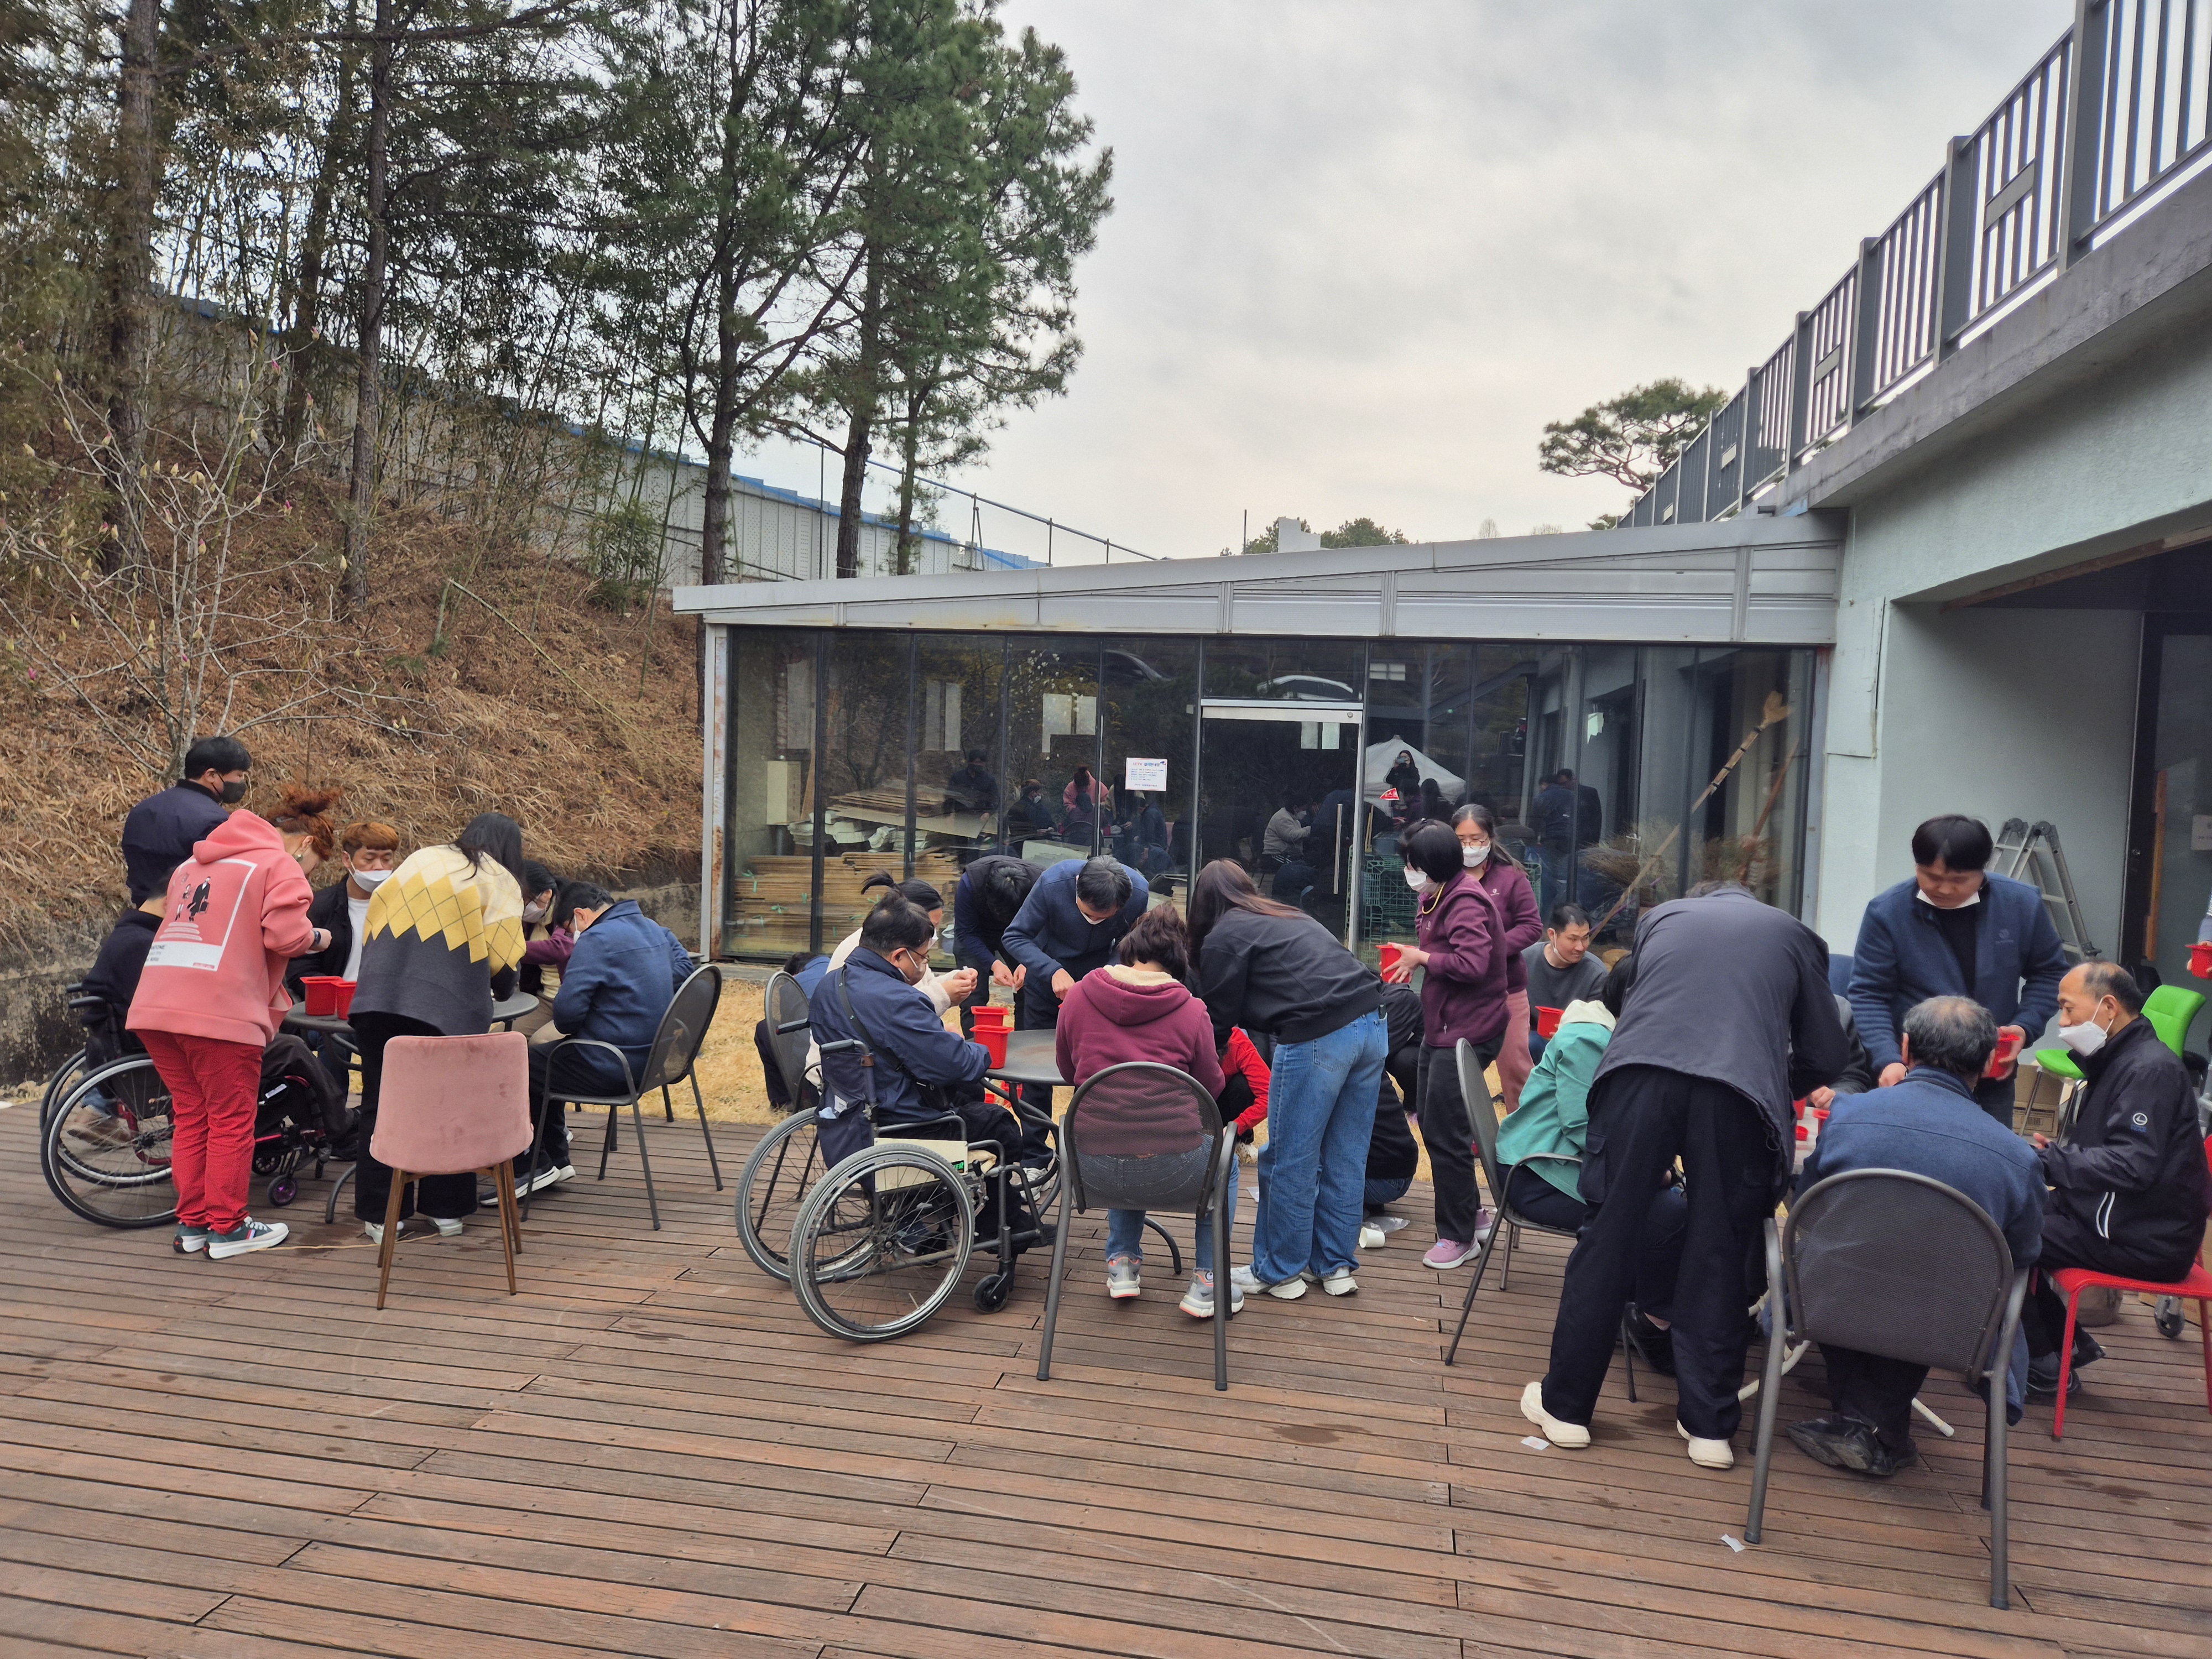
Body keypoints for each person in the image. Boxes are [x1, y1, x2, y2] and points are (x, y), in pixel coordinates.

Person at [1522, 880, 1848, 1472]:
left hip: (1638, 1079)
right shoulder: (1793, 934)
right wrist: (1769, 1083)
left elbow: (1637, 1006)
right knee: (1719, 1247)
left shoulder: (1662, 918)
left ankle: (1565, 1410)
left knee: (1608, 1238)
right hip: (1737, 1092)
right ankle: (1708, 1429)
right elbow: (1827, 1055)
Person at [1786, 995, 2045, 1475]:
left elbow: (1809, 1206)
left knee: (1858, 1258)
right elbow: (2025, 1251)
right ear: (1990, 1061)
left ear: (1904, 1048)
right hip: (1953, 1324)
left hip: (1829, 1297)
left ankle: (1865, 1428)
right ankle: (1876, 1430)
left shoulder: (1849, 1115)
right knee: (1927, 1269)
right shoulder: (2017, 1157)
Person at [125, 796, 334, 1259]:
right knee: (229, 1120)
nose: (312, 873)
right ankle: (229, 1228)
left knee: (192, 1115)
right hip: (219, 1012)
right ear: (303, 844)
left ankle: (194, 1224)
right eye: (315, 862)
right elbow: (287, 937)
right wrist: (321, 937)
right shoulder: (276, 865)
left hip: (156, 1006)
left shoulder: (190, 866)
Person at [1190, 860, 1386, 1302]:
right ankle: (1334, 1268)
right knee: (1346, 1155)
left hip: (1318, 1035)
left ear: (1203, 903)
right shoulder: (1286, 914)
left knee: (1287, 1158)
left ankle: (1279, 1272)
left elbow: (1217, 1020)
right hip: (1373, 1024)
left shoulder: (1224, 935)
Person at [2021, 962, 2211, 1394]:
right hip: (2111, 1219)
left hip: (2144, 1238)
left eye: (2068, 1010)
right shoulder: (2120, 1056)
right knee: (2003, 1208)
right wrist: (2055, 1159)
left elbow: (2132, 1165)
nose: (2063, 1023)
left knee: (2001, 1232)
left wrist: (2051, 1162)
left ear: (2108, 1007)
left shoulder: (2149, 1070)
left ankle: (2048, 1365)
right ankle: (2062, 1348)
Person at [1496, 956, 1689, 1372]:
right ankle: (1653, 1321)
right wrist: (1647, 1166)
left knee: (1671, 1203)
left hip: (1567, 1159)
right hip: (1537, 1170)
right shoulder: (1589, 1039)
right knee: (1668, 1213)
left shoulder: (1612, 1032)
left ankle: (1648, 1308)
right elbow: (1582, 1126)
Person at [348, 812, 528, 1242]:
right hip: (443, 1011)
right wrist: (502, 985)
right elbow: (503, 962)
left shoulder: (420, 860)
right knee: (450, 1107)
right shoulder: (496, 877)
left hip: (376, 1002)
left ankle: (380, 1216)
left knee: (380, 1106)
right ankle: (446, 1211)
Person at [1054, 906, 1239, 1319]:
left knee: (1121, 1131)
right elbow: (1210, 1086)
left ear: (1128, 948)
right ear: (1179, 959)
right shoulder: (1192, 1010)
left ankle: (1122, 1264)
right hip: (1175, 1169)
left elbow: (1069, 1072)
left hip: (1090, 1166)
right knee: (1226, 1167)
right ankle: (1208, 1282)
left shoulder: (1080, 994)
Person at [1848, 813, 2066, 1126]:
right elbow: (1869, 994)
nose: (1944, 889)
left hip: (1989, 1072)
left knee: (1988, 1162)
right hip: (1912, 1073)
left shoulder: (2020, 904)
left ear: (1982, 871)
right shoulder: (1888, 912)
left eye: (1959, 880)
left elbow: (2048, 973)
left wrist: (2024, 1027)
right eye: (1930, 876)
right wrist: (1887, 1059)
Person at [808, 895, 1021, 1181]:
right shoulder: (899, 1000)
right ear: (898, 956)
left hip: (849, 1121)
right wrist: (979, 1049)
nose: (924, 965)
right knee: (998, 1123)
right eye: (923, 957)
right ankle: (1001, 1223)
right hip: (904, 1127)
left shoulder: (829, 984)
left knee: (968, 1097)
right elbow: (956, 1064)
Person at [1384, 821, 1510, 1271]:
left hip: (1470, 1029)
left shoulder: (1466, 901)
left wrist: (1423, 958)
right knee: (1438, 1122)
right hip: (1444, 1024)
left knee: (1445, 1130)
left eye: (1412, 864)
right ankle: (1471, 1214)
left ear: (1432, 865)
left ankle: (1458, 1236)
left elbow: (1473, 964)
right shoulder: (1437, 895)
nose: (1408, 871)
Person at [524, 880, 697, 1194]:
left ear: (580, 915)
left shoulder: (597, 939)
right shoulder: (654, 929)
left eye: (569, 927)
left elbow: (567, 1015)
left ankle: (537, 1165)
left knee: (522, 1064)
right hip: (655, 1061)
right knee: (549, 1060)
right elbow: (686, 970)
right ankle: (556, 1161)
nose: (574, 934)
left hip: (613, 1065)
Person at [1001, 853, 1148, 1044]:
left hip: (1098, 988)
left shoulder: (1138, 892)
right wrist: (1052, 971)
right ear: (1077, 885)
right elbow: (1015, 936)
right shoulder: (1053, 882)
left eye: (1104, 918)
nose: (1094, 922)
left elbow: (1128, 942)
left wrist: (1108, 975)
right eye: (1088, 914)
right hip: (1046, 982)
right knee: (1038, 1052)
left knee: (1089, 1054)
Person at [1454, 805, 1542, 1112]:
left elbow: (1532, 927)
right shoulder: (1444, 878)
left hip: (1507, 987)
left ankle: (1526, 1136)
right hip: (1459, 989)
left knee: (1517, 1063)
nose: (1469, 846)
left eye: (1476, 839)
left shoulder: (1512, 878)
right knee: (1459, 1067)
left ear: (1490, 838)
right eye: (1461, 839)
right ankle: (1468, 1135)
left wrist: (1489, 950)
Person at [121, 735, 250, 904]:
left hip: (141, 910)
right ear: (211, 775)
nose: (242, 782)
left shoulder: (142, 809)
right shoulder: (215, 822)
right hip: (181, 915)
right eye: (239, 775)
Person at [950, 854, 1039, 1031]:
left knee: (1030, 988)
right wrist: (994, 964)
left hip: (1020, 932)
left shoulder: (1038, 883)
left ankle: (1024, 1045)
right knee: (972, 991)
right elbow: (965, 932)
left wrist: (1028, 961)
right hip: (977, 932)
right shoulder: (971, 882)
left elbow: (1044, 928)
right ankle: (974, 1048)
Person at [1521, 903, 1609, 1063]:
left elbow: (1599, 1027)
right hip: (1534, 1037)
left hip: (1577, 1044)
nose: (1581, 947)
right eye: (1573, 939)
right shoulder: (1526, 959)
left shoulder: (1597, 974)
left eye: (1586, 938)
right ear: (1552, 935)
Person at [1530, 771, 1577, 913]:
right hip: (1571, 840)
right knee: (1567, 876)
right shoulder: (1572, 796)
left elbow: (1535, 822)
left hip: (1551, 841)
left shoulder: (1543, 797)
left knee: (1549, 876)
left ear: (1544, 785)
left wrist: (1533, 840)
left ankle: (1550, 910)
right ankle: (1566, 908)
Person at [944, 749, 999, 817]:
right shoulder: (958, 777)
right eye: (977, 762)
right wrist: (947, 816)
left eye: (981, 763)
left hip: (980, 818)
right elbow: (949, 797)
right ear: (970, 762)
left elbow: (995, 799)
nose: (979, 765)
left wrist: (988, 813)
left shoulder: (990, 780)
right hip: (960, 816)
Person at [1006, 778, 1057, 842]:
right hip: (1030, 842)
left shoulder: (1018, 806)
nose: (1040, 795)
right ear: (1033, 793)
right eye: (1038, 792)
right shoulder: (1029, 809)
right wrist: (1037, 832)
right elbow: (1021, 831)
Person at [1385, 750, 1422, 825]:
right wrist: (1395, 768)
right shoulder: (1397, 770)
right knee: (1397, 823)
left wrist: (1408, 766)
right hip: (1397, 802)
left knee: (1407, 823)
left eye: (1405, 757)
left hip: (1408, 801)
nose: (1403, 759)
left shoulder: (1413, 770)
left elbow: (1416, 781)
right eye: (1401, 757)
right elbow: (1388, 780)